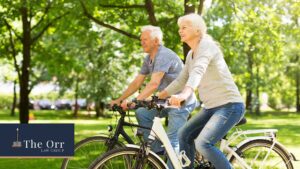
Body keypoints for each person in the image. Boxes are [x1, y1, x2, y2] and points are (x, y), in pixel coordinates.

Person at [158, 14, 245, 169]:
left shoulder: (207, 46)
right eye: (179, 28)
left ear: (197, 30)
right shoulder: (191, 54)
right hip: (211, 107)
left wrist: (184, 95)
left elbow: (198, 71)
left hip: (230, 105)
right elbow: (180, 80)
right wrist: (159, 96)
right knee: (184, 134)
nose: (180, 31)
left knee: (203, 144)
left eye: (184, 27)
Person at [110, 25, 197, 168]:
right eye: (141, 39)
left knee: (172, 140)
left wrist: (133, 101)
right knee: (141, 113)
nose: (141, 42)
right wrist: (119, 100)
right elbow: (137, 82)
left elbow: (153, 84)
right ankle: (157, 154)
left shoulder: (163, 55)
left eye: (145, 39)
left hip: (181, 101)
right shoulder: (149, 58)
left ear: (156, 41)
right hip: (164, 100)